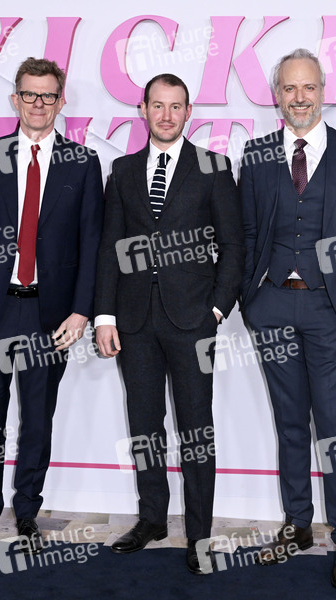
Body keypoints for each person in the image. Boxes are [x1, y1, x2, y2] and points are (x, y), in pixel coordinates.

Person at [239, 49, 336, 589]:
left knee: (335, 427)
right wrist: (250, 300)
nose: (298, 98)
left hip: (332, 310)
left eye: (308, 87)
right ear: (277, 96)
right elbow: (247, 232)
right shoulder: (256, 154)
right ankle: (297, 524)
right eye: (289, 88)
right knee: (288, 423)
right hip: (273, 306)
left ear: (323, 91)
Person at [0, 57, 103, 557]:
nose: (39, 104)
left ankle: (28, 513)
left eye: (48, 95)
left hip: (49, 316)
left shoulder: (83, 163)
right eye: (30, 94)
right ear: (15, 99)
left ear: (61, 101)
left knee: (37, 421)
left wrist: (81, 311)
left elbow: (92, 243)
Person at [94, 73, 243, 574]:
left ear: (188, 112)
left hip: (192, 320)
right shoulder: (122, 170)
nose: (166, 115)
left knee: (196, 428)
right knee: (144, 427)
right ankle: (152, 518)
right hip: (134, 320)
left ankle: (199, 535)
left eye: (175, 106)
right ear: (143, 109)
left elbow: (233, 245)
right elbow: (110, 247)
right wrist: (105, 315)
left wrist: (218, 308)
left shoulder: (214, 167)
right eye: (157, 105)